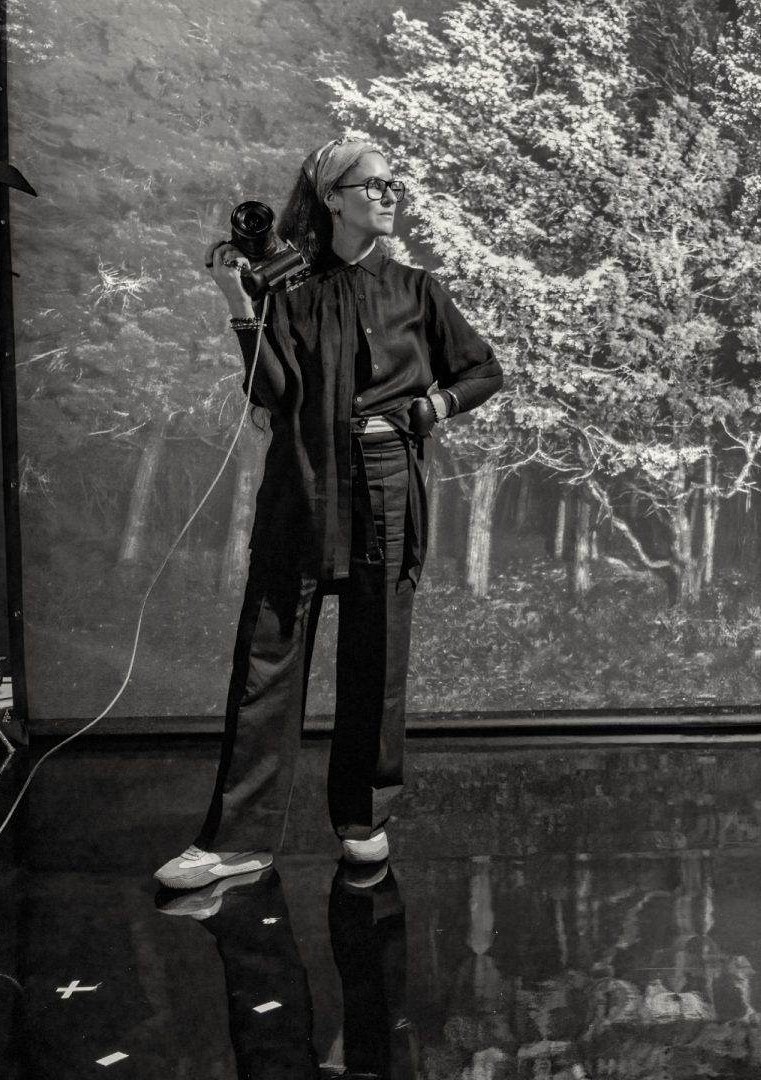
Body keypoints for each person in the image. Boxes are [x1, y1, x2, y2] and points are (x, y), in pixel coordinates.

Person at [155, 139, 503, 889]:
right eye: (373, 185)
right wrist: (239, 305)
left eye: (393, 183)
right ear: (333, 199)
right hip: (304, 483)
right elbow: (272, 392)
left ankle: (364, 820)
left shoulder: (417, 289)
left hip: (387, 485)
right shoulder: (289, 288)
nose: (389, 194)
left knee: (377, 661)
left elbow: (482, 369)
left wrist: (434, 406)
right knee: (266, 662)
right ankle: (236, 842)